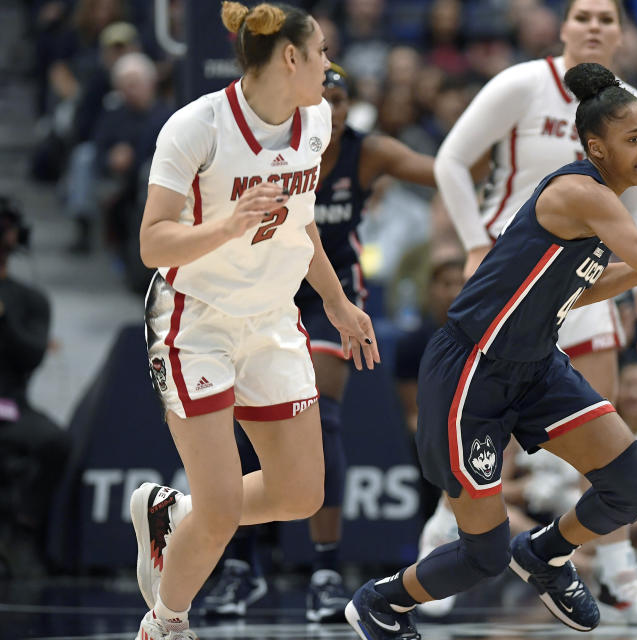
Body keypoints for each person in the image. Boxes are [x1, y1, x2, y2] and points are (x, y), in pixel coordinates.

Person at [344, 61, 637, 640]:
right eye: (633, 139)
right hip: (470, 371)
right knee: (482, 554)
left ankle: (546, 554)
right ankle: (380, 602)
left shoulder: (600, 203)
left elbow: (581, 287)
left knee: (635, 483)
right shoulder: (582, 193)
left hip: (534, 368)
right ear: (595, 146)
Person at [433, 0, 637, 624]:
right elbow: (449, 162)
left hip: (587, 273)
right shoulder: (522, 83)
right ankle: (445, 549)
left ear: (623, 36)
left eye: (608, 17)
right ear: (563, 28)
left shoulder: (626, 107)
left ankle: (621, 575)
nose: (595, 25)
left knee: (604, 432)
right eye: (583, 15)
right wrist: (471, 242)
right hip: (514, 276)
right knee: (483, 435)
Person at [132, 4, 378, 639]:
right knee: (220, 513)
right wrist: (227, 224)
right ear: (290, 57)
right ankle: (166, 624)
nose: (330, 64)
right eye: (321, 51)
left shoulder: (318, 119)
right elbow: (153, 245)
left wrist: (335, 300)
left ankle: (174, 516)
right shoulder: (196, 127)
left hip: (272, 318)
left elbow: (301, 225)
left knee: (301, 495)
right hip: (196, 321)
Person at [198, 61, 438, 623]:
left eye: (340, 100)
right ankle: (242, 564)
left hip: (331, 296)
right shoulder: (264, 146)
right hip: (263, 291)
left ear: (351, 108)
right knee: (248, 423)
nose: (331, 109)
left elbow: (442, 170)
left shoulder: (366, 151)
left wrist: (503, 156)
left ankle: (326, 571)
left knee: (320, 414)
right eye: (321, 98)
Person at [0, 196, 71, 577]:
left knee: (56, 442)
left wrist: (6, 319)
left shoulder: (29, 299)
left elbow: (32, 355)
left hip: (10, 406)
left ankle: (24, 530)